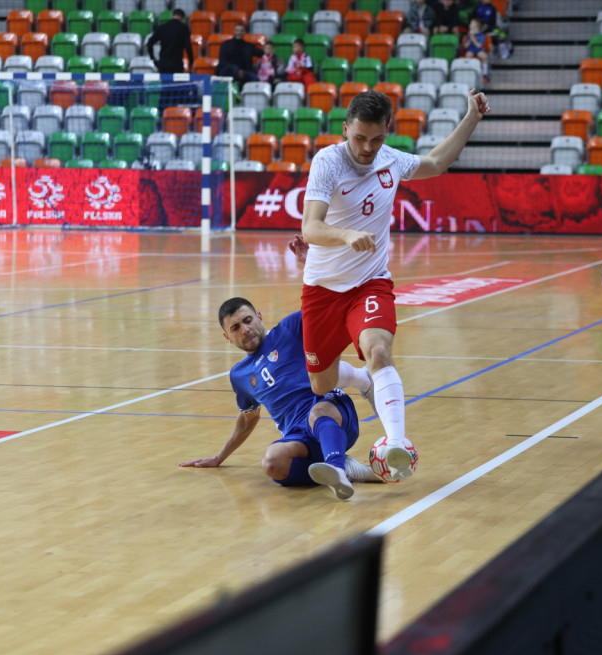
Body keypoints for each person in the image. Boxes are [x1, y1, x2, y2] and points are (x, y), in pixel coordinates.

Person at [298, 88, 490, 477]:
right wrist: (346, 234)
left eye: (376, 138)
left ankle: (396, 442)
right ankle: (360, 379)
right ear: (345, 129)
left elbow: (436, 162)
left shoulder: (390, 160)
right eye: (359, 138)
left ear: (388, 130)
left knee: (379, 350)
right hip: (321, 289)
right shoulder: (328, 162)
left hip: (370, 282)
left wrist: (472, 117)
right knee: (322, 383)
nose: (367, 147)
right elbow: (311, 228)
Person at [179, 298, 382, 500]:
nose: (245, 329)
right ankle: (345, 468)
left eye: (248, 320)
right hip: (298, 434)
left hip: (331, 408)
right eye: (235, 327)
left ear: (259, 317)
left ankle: (336, 468)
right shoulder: (239, 375)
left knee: (317, 414)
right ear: (228, 337)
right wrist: (219, 457)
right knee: (272, 463)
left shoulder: (289, 329)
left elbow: (326, 313)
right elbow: (248, 418)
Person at [146, 8, 193, 75]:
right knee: (177, 85)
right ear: (183, 18)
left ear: (172, 16)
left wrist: (153, 59)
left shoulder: (163, 27)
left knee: (166, 85)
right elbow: (188, 48)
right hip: (177, 64)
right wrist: (191, 62)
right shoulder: (184, 28)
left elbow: (150, 43)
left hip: (163, 65)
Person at [215, 23, 262, 87]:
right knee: (234, 69)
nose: (239, 32)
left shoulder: (249, 46)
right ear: (234, 31)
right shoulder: (226, 44)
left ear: (245, 32)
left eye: (241, 31)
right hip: (227, 70)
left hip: (244, 72)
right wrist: (237, 70)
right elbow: (222, 61)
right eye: (237, 30)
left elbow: (261, 53)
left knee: (254, 78)